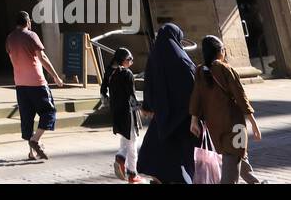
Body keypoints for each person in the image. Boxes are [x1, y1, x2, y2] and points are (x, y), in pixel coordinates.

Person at [189, 35, 264, 184]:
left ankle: (255, 182)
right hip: (234, 123)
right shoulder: (225, 68)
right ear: (220, 51)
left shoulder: (199, 71)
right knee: (232, 159)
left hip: (214, 124)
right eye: (224, 49)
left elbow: (196, 97)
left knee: (238, 155)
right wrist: (254, 124)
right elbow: (241, 97)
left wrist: (194, 120)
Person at [136, 23, 198, 183]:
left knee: (159, 153)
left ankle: (160, 179)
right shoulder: (182, 60)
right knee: (183, 156)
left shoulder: (153, 58)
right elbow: (193, 88)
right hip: (183, 118)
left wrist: (148, 106)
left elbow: (148, 84)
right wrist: (196, 115)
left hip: (163, 118)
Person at [6, 10, 64, 160]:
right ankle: (35, 140)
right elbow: (42, 57)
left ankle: (32, 152)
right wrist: (55, 76)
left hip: (19, 84)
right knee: (49, 112)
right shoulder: (31, 35)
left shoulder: (10, 38)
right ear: (28, 22)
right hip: (37, 83)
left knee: (27, 118)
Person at [100, 47, 142, 182]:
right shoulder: (127, 74)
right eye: (129, 59)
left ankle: (122, 159)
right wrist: (142, 108)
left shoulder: (109, 71)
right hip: (127, 112)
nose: (131, 61)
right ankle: (132, 173)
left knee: (125, 138)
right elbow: (132, 96)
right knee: (133, 142)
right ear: (122, 60)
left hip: (116, 111)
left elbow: (103, 89)